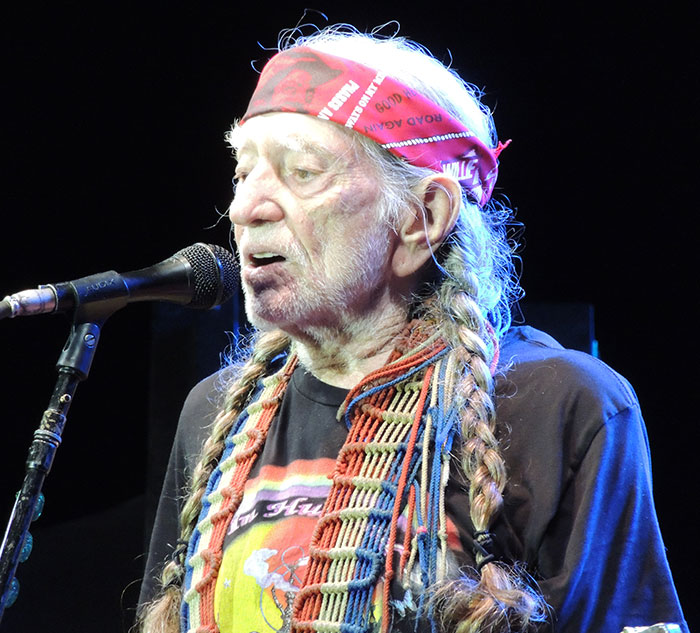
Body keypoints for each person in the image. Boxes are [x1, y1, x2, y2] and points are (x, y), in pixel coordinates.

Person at [137, 24, 688, 633]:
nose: (245, 208)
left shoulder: (559, 408)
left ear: (422, 217)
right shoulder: (214, 413)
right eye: (244, 173)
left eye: (302, 172)